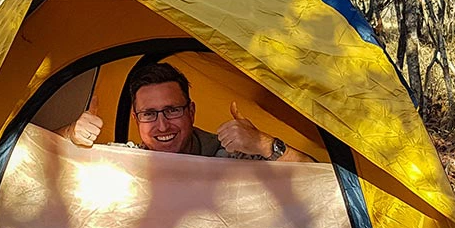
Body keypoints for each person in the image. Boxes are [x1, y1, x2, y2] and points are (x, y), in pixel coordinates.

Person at [58, 63, 313, 162]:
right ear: (135, 120)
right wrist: (71, 134)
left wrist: (264, 143)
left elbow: (320, 179)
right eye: (149, 114)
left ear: (191, 111)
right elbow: (29, 156)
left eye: (172, 110)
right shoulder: (128, 161)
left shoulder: (229, 156)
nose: (162, 125)